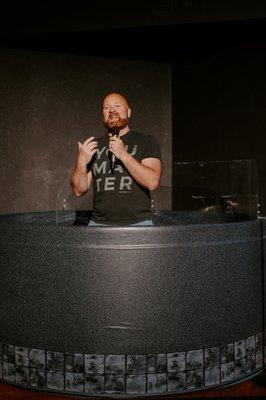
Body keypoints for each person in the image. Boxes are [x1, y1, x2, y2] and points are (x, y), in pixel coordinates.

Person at [70, 92, 162, 226]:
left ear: (128, 112)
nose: (112, 110)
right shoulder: (93, 146)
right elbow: (79, 190)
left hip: (138, 224)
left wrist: (123, 155)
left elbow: (152, 182)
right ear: (103, 115)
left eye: (117, 106)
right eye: (106, 108)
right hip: (99, 224)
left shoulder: (146, 141)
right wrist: (81, 162)